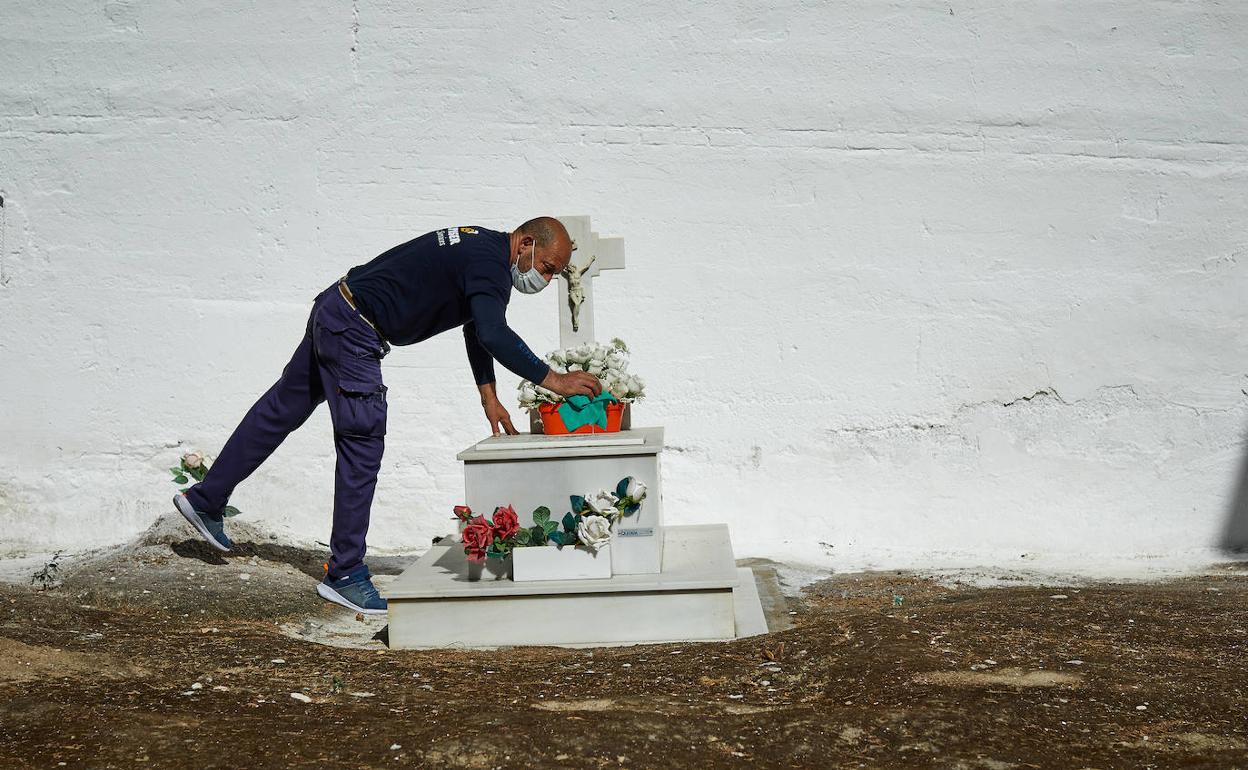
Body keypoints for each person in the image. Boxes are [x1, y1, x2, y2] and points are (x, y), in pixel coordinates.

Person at [172, 217, 602, 614]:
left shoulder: (484, 250)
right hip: (356, 329)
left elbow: (476, 326)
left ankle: (205, 499)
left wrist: (488, 395)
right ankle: (344, 573)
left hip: (337, 307)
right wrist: (556, 380)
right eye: (546, 268)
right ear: (526, 243)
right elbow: (493, 331)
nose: (544, 280)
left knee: (281, 408)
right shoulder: (490, 264)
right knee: (363, 444)